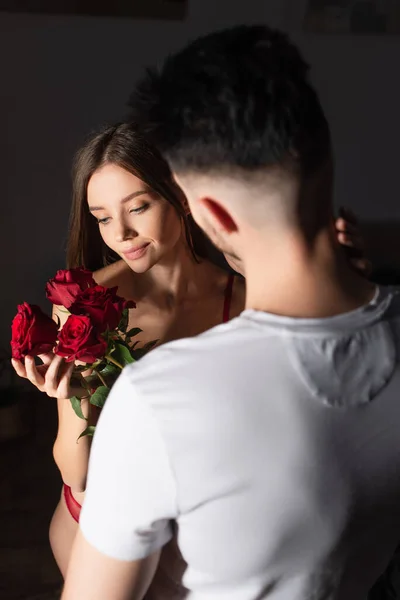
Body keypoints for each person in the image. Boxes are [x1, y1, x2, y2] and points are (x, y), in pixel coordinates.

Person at [61, 24, 400, 600]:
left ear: (203, 210)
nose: (120, 232)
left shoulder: (156, 399)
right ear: (324, 157)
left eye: (141, 205)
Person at [12, 125, 362, 590]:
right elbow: (78, 473)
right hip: (95, 523)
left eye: (138, 207)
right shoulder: (83, 304)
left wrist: (343, 274)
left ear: (179, 193)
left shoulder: (243, 297)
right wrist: (78, 400)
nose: (122, 233)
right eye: (101, 217)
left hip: (196, 528)